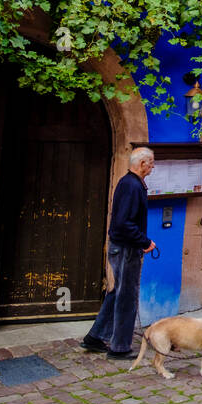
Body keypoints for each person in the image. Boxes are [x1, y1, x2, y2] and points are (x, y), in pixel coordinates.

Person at [82, 147, 155, 359]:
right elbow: (123, 223)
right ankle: (119, 348)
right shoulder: (132, 185)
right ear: (142, 163)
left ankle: (95, 337)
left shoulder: (130, 183)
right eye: (151, 163)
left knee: (118, 293)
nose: (152, 167)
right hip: (126, 249)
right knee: (127, 297)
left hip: (122, 246)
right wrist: (144, 241)